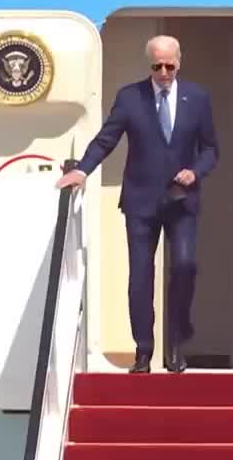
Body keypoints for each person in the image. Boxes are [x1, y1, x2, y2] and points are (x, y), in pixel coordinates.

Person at [56, 35, 219, 374]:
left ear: (179, 62)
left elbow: (210, 149)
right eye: (156, 66)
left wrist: (196, 171)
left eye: (169, 66)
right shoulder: (130, 97)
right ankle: (143, 351)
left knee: (185, 266)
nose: (163, 72)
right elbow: (106, 140)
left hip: (182, 200)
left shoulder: (197, 98)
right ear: (150, 65)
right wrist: (82, 170)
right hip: (140, 200)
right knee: (141, 276)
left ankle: (176, 345)